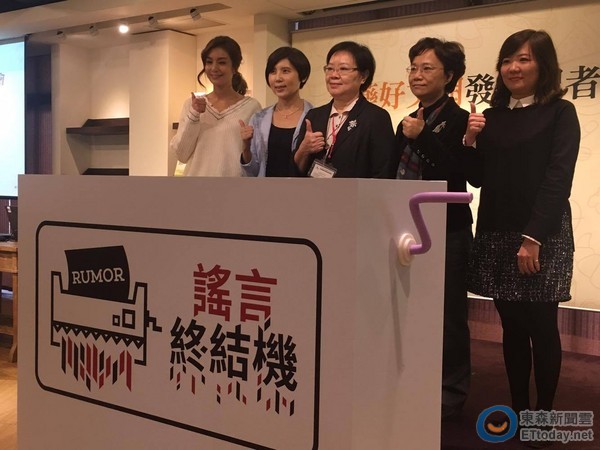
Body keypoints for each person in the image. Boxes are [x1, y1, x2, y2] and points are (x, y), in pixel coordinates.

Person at [465, 29, 580, 446]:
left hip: (541, 234)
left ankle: (543, 416)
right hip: (497, 230)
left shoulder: (560, 112)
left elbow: (558, 179)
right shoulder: (491, 116)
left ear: (542, 65)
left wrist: (533, 238)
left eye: (524, 59)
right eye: (507, 59)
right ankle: (517, 410)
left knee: (542, 326)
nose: (513, 67)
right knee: (511, 327)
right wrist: (471, 140)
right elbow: (479, 178)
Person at [393, 37, 475, 420]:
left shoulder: (461, 120)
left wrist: (422, 136)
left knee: (449, 314)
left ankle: (452, 391)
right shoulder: (407, 120)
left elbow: (458, 172)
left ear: (450, 75)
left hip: (448, 229)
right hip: (407, 230)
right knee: (411, 308)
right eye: (413, 67)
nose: (417, 75)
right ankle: (417, 378)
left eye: (427, 68)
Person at [292, 41, 395, 178]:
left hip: (358, 192)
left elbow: (384, 173)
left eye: (343, 69)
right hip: (314, 191)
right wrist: (304, 149)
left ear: (363, 76)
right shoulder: (314, 115)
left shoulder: (376, 117)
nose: (334, 75)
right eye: (330, 68)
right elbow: (295, 172)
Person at [170, 36, 261, 176]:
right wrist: (194, 114)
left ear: (234, 67)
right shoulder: (191, 105)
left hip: (235, 187)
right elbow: (181, 155)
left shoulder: (251, 107)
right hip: (196, 186)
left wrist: (246, 146)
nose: (214, 68)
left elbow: (256, 160)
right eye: (209, 62)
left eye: (222, 62)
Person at [240, 47, 312, 177]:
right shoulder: (258, 118)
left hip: (302, 189)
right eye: (273, 72)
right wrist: (246, 147)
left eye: (285, 71)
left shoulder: (315, 117)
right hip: (265, 189)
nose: (278, 78)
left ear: (303, 77)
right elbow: (252, 173)